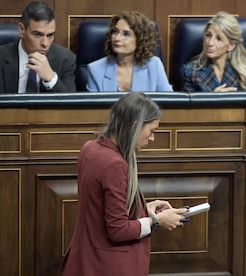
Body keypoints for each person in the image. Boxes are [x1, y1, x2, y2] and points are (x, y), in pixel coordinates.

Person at [60, 93, 187, 276]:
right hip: (107, 266)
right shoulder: (115, 164)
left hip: (84, 259)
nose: (152, 139)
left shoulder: (89, 148)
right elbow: (118, 230)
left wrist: (143, 208)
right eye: (151, 131)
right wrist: (156, 221)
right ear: (134, 126)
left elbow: (99, 207)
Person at [0, 0, 76, 95]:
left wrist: (51, 78)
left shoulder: (65, 59)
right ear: (22, 30)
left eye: (50, 35)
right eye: (37, 34)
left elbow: (73, 108)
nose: (45, 43)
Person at [86, 11, 172, 92]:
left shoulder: (154, 65)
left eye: (126, 34)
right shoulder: (95, 69)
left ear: (140, 39)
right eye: (115, 32)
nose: (117, 38)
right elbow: (93, 107)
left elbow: (169, 102)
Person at [182, 11, 246, 92]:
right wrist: (213, 99)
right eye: (208, 35)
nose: (210, 43)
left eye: (219, 39)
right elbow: (187, 104)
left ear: (231, 45)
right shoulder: (191, 71)